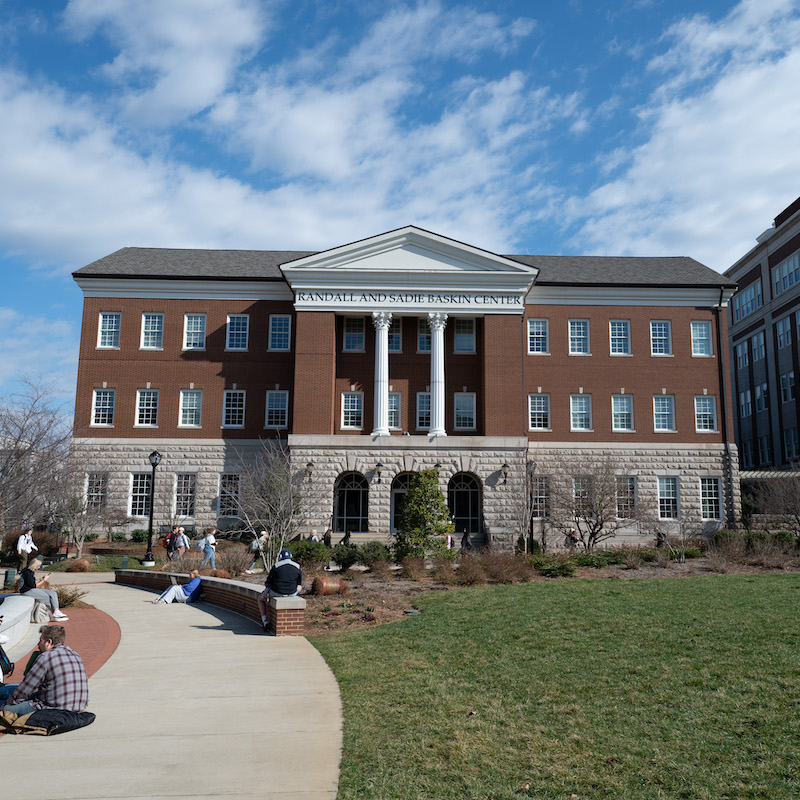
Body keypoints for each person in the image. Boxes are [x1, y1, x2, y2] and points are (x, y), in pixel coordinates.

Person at [1, 625, 88, 716]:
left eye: (40, 640)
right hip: (78, 706)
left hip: (53, 709)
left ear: (49, 642)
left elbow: (25, 689)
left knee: (6, 707)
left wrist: (9, 702)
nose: (38, 644)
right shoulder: (74, 654)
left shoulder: (45, 657)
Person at [257, 549, 302, 631]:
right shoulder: (297, 566)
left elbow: (268, 582)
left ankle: (265, 620)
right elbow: (299, 583)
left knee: (260, 599)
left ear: (281, 557)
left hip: (276, 592)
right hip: (292, 593)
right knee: (299, 587)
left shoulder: (276, 566)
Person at [18, 558, 69, 622]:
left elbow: (33, 582)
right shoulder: (27, 573)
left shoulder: (29, 571)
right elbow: (35, 586)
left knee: (52, 593)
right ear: (35, 565)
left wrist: (41, 579)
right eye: (38, 566)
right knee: (46, 596)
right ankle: (56, 615)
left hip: (30, 589)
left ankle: (56, 611)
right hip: (27, 592)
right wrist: (44, 580)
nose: (39, 567)